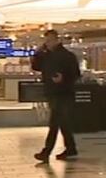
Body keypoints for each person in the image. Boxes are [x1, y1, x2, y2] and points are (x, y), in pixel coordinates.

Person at [31, 29, 81, 162]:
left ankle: (46, 151)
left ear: (57, 40)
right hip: (52, 92)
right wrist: (38, 53)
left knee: (55, 123)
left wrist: (63, 78)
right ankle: (71, 149)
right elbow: (36, 67)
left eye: (50, 40)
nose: (47, 43)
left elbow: (75, 74)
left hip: (64, 93)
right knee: (62, 123)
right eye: (46, 41)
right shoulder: (46, 56)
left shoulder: (67, 56)